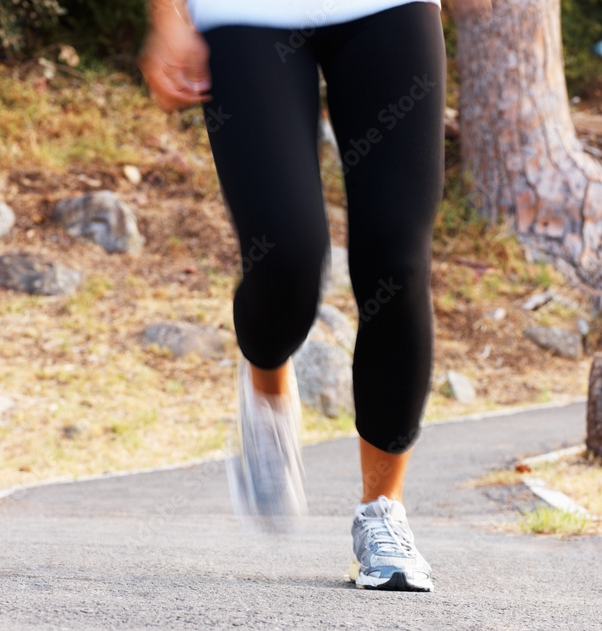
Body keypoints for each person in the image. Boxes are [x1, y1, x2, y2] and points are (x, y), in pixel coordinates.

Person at [140, 0, 490, 592]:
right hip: (244, 15)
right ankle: (267, 380)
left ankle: (382, 513)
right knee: (287, 253)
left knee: (397, 263)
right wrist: (168, 17)